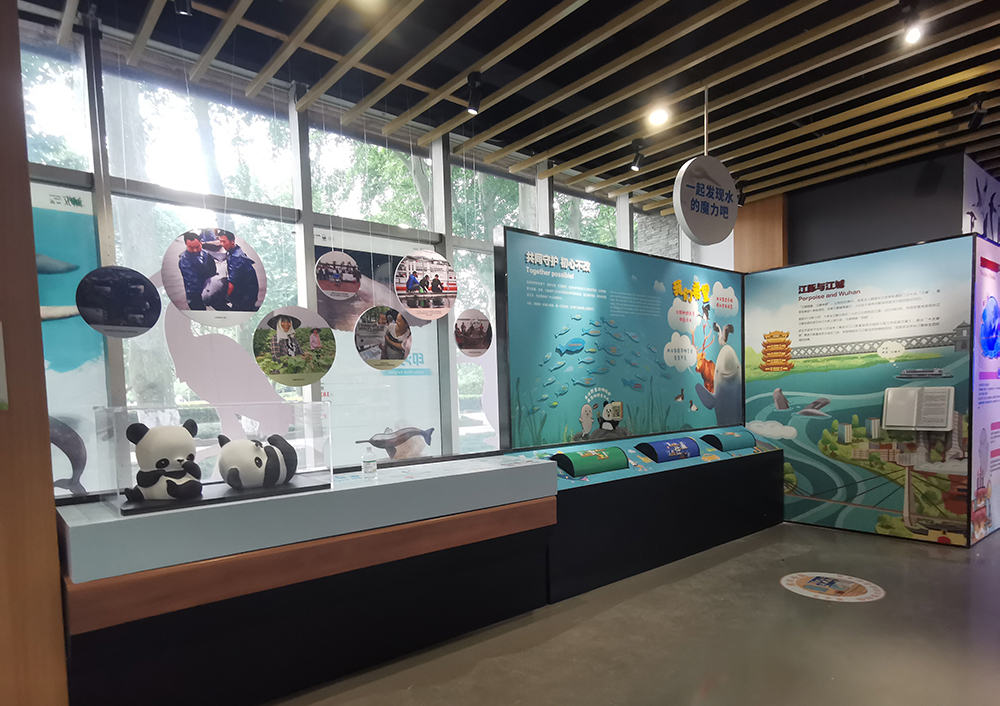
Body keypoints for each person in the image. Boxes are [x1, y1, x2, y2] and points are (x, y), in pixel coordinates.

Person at [218, 230, 260, 312]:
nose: (222, 244)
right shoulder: (236, 250)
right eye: (220, 241)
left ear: (232, 241)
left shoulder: (236, 258)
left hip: (246, 296)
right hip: (246, 291)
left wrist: (226, 296)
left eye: (224, 241)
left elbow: (232, 282)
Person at [177, 231, 218, 310]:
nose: (195, 250)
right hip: (195, 295)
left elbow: (213, 271)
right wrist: (206, 294)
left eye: (197, 246)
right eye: (191, 248)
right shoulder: (184, 260)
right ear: (186, 245)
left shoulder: (206, 254)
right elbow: (192, 281)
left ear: (201, 243)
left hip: (210, 289)